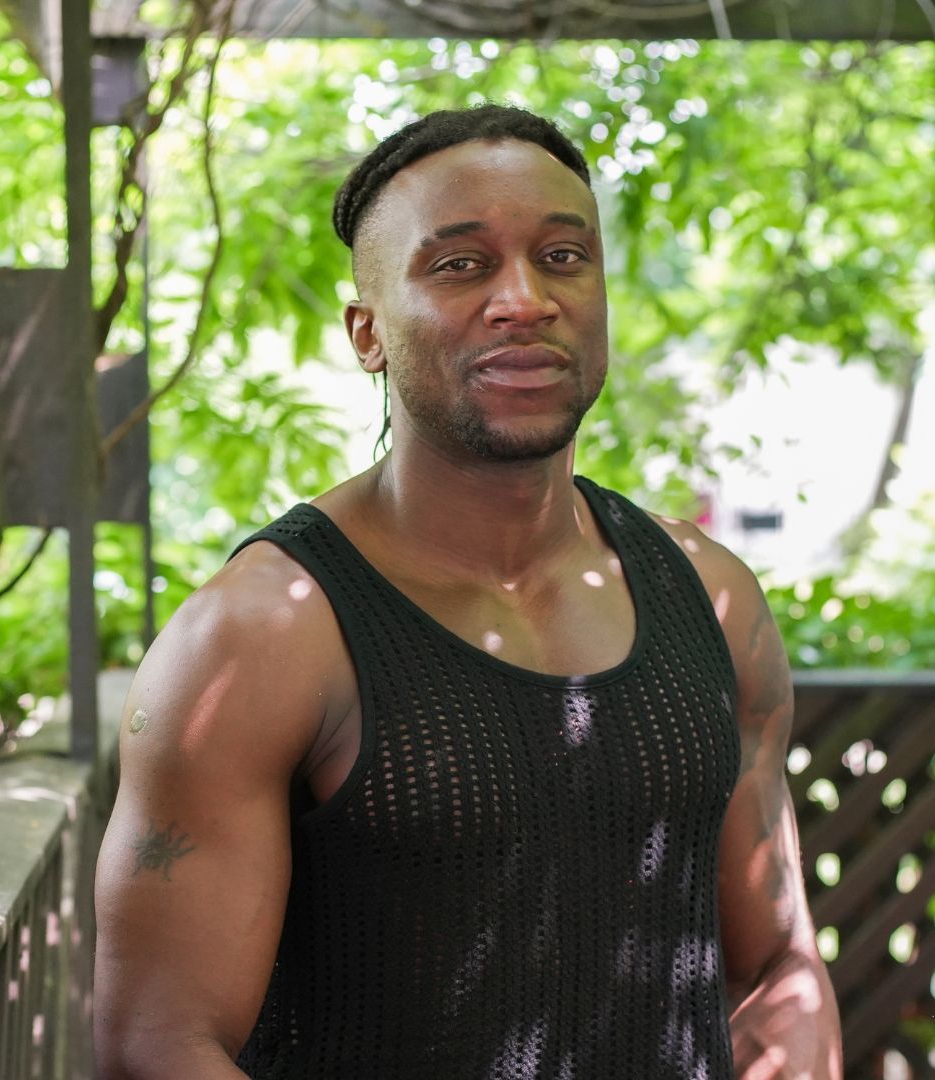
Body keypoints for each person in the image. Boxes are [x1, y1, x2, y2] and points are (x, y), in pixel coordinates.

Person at [93, 104, 842, 1080]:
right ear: (367, 333)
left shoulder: (715, 600)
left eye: (564, 256)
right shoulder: (258, 635)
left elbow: (781, 964)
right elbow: (154, 1044)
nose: (523, 299)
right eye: (461, 265)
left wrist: (796, 1032)